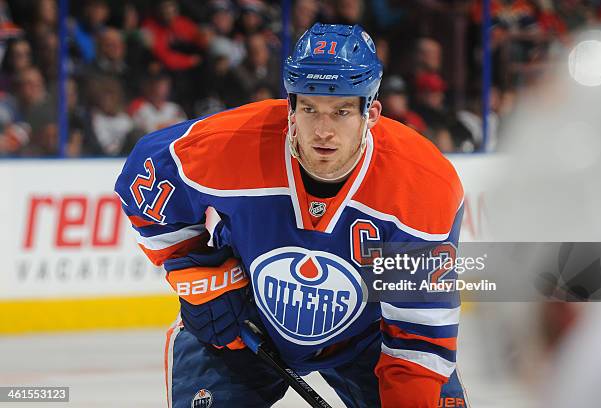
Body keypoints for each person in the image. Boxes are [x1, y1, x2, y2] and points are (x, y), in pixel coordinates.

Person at [115, 23, 467, 408]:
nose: (323, 131)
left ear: (372, 113)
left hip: (370, 339)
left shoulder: (420, 186)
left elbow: (417, 339)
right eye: (310, 108)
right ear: (291, 108)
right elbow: (144, 181)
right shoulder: (234, 143)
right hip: (245, 325)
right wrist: (199, 275)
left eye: (342, 111)